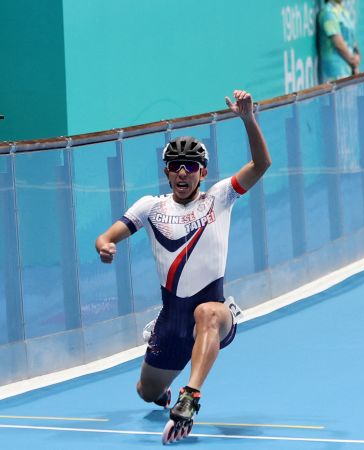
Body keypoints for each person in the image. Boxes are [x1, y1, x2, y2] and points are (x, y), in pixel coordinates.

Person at [94, 89, 271, 443]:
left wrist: (248, 120)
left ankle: (190, 397)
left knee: (207, 313)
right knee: (145, 390)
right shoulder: (150, 207)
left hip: (214, 312)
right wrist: (105, 245)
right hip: (171, 323)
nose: (182, 173)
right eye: (176, 166)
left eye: (190, 166)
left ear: (202, 172)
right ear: (167, 172)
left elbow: (261, 164)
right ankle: (165, 393)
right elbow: (108, 234)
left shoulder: (220, 197)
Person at [318, 0, 360, 83]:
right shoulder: (328, 13)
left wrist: (356, 59)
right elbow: (338, 43)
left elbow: (352, 38)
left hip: (348, 67)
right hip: (335, 70)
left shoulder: (342, 11)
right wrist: (352, 61)